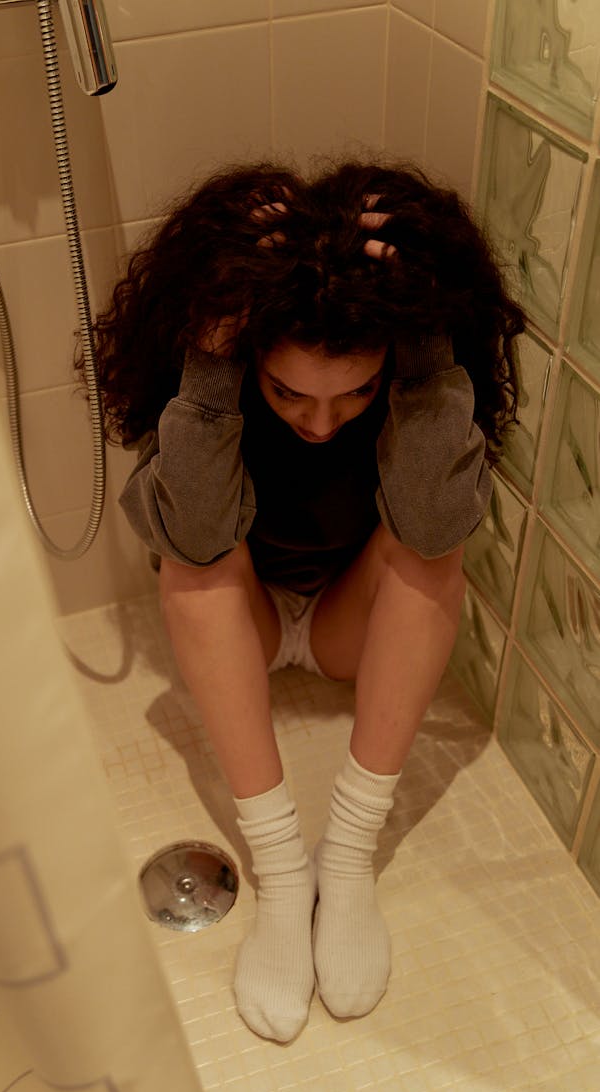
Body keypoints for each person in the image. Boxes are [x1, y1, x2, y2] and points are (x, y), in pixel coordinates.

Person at [87, 158, 524, 1043]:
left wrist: (423, 336)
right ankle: (286, 871)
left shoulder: (409, 373)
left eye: (351, 392)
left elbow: (438, 520)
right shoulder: (218, 364)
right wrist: (211, 366)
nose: (322, 423)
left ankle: (350, 855)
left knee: (432, 547)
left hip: (344, 625)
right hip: (236, 619)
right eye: (289, 392)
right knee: (194, 562)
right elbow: (197, 533)